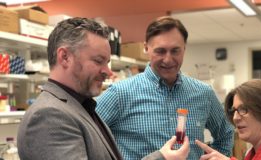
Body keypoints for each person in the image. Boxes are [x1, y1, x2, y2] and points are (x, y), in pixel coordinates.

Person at [17, 17, 190, 160]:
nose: (108, 72)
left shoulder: (81, 106)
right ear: (65, 57)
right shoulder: (49, 116)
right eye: (98, 61)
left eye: (107, 63)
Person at [96, 16, 234, 159]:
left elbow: (226, 133)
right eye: (160, 51)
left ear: (184, 49)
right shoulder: (120, 94)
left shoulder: (204, 93)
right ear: (146, 48)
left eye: (175, 51)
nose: (168, 59)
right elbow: (86, 135)